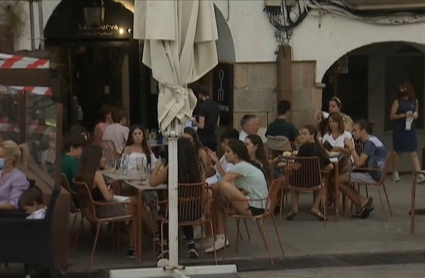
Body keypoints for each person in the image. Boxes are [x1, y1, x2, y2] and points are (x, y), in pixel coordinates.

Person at [75, 145, 138, 258]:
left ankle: (150, 234)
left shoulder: (82, 173)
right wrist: (111, 189)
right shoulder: (97, 175)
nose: (103, 159)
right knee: (136, 207)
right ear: (95, 158)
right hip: (101, 209)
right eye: (101, 156)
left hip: (90, 208)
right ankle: (133, 247)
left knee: (135, 201)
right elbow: (108, 198)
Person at [205, 140, 268, 253]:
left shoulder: (240, 166)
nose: (225, 154)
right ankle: (220, 237)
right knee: (218, 200)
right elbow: (225, 177)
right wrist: (216, 162)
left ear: (236, 154)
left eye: (228, 151)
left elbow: (222, 181)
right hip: (258, 204)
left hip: (254, 206)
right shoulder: (242, 166)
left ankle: (217, 236)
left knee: (221, 188)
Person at [149, 137, 206, 259]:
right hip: (194, 211)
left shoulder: (171, 168)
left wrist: (157, 166)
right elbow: (201, 188)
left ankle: (165, 247)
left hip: (173, 212)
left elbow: (152, 183)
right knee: (184, 206)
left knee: (164, 211)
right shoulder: (199, 169)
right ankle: (191, 245)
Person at [338, 120, 386, 219]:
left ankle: (360, 203)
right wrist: (351, 165)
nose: (353, 133)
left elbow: (360, 162)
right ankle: (362, 201)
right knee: (342, 179)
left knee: (337, 180)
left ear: (363, 131)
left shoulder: (370, 143)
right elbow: (362, 162)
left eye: (355, 131)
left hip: (374, 175)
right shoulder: (372, 140)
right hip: (375, 171)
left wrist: (352, 149)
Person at [286, 125, 333, 221]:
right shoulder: (320, 149)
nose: (301, 136)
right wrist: (319, 172)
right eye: (301, 134)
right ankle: (315, 207)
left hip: (299, 181)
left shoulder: (303, 148)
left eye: (304, 134)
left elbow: (297, 165)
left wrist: (288, 166)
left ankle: (295, 207)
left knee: (291, 179)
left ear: (312, 135)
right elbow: (330, 166)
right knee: (322, 184)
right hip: (315, 181)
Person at [390, 82, 424, 183]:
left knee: (413, 151)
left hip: (410, 128)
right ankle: (395, 172)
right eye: (400, 89)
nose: (402, 91)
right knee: (397, 151)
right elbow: (392, 116)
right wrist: (403, 115)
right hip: (399, 128)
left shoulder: (414, 101)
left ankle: (419, 174)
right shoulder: (397, 101)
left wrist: (415, 115)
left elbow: (417, 113)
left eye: (403, 88)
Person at [0, 140, 30, 211]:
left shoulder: (19, 178)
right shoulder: (1, 173)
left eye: (0, 156)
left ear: (10, 160)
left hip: (5, 216)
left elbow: (13, 205)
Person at [61, 132, 88, 207]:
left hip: (67, 197)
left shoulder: (62, 160)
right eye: (81, 149)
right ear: (72, 148)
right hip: (77, 199)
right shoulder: (74, 163)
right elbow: (83, 180)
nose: (82, 152)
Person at [191, 84, 220, 151]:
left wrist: (194, 122)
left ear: (200, 95)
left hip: (203, 137)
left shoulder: (202, 107)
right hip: (213, 137)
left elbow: (201, 125)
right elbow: (217, 123)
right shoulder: (216, 105)